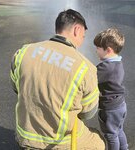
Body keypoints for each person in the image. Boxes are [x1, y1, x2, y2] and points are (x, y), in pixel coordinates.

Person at [10, 9, 105, 150]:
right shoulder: (85, 68)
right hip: (58, 142)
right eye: (83, 36)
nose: (82, 40)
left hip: (25, 136)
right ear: (77, 30)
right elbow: (87, 113)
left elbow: (16, 88)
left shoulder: (23, 52)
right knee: (99, 141)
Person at [94, 28, 128, 150]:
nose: (96, 51)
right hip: (120, 105)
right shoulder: (118, 62)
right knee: (119, 130)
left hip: (110, 109)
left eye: (98, 48)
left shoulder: (105, 67)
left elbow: (89, 77)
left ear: (108, 50)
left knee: (111, 135)